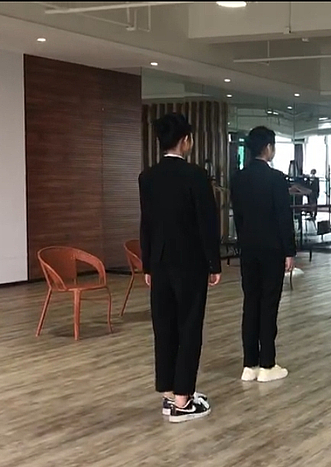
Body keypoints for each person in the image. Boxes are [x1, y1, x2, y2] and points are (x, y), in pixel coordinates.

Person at [138, 112, 221, 423]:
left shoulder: (148, 177)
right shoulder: (196, 176)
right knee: (189, 327)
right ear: (186, 140)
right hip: (190, 263)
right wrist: (214, 263)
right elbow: (207, 223)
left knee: (164, 327)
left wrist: (147, 264)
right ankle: (184, 401)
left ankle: (170, 393)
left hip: (159, 263)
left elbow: (146, 224)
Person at [231, 126, 296, 383]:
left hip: (248, 249)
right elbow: (283, 218)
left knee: (250, 304)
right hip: (272, 250)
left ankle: (250, 364)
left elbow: (238, 217)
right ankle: (268, 364)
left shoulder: (238, 178)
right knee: (269, 305)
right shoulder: (276, 179)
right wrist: (289, 251)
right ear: (268, 148)